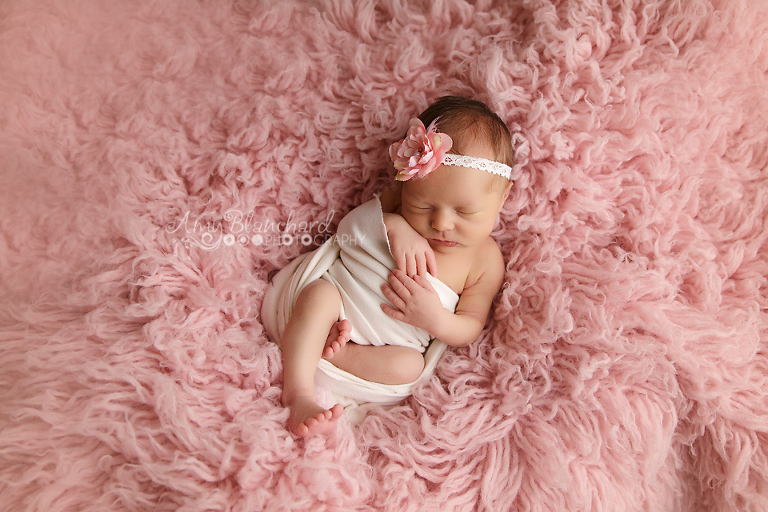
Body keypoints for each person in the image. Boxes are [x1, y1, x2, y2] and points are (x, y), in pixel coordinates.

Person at [269, 96, 515, 437]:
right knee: (319, 295)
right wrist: (392, 225)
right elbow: (348, 233)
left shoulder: (484, 260)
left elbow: (470, 325)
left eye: (465, 212)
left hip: (382, 353)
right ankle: (298, 394)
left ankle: (330, 356)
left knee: (409, 367)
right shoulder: (396, 207)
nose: (441, 223)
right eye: (423, 204)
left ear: (502, 198)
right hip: (338, 303)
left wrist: (436, 319)